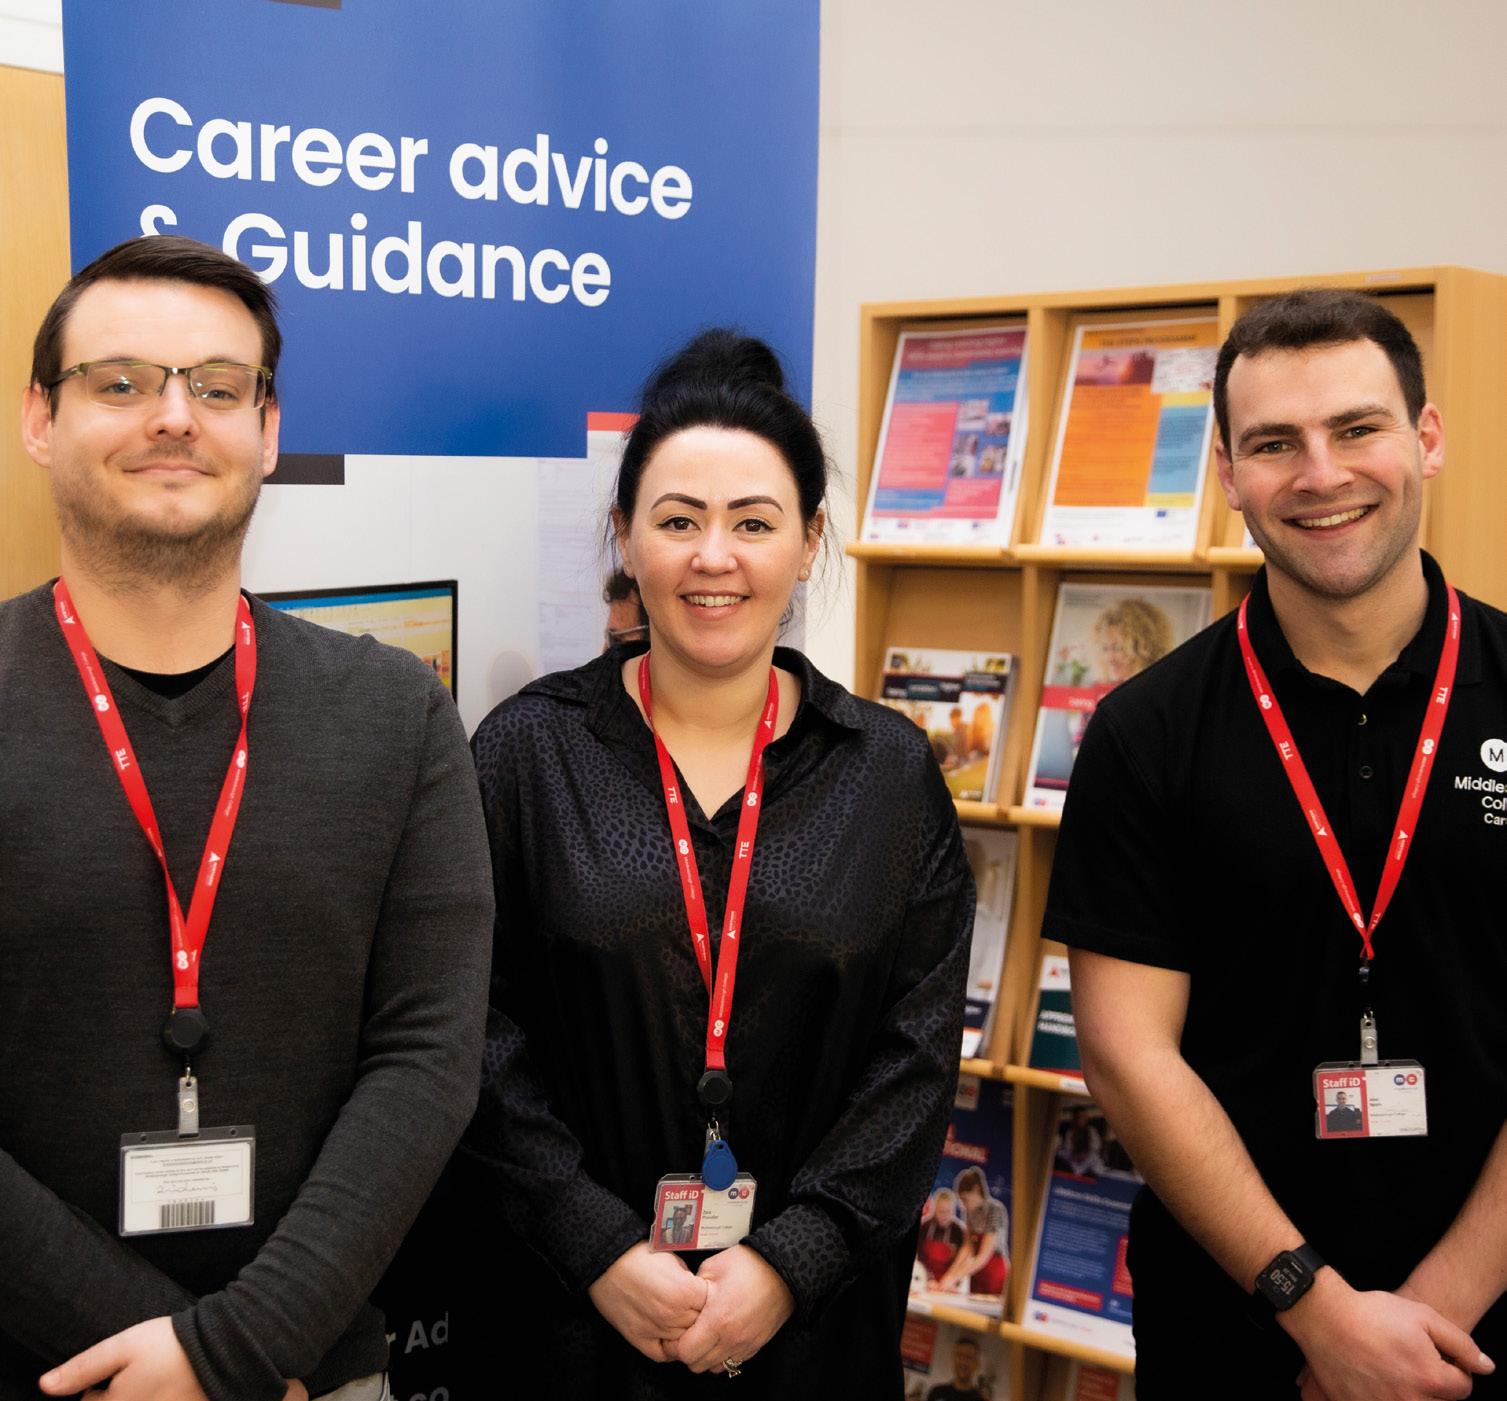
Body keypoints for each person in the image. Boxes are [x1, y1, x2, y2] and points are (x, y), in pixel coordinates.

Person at [0, 235, 493, 1401]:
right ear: (40, 419)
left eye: (218, 388)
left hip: (306, 1369)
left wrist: (239, 1349)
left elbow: (428, 1060)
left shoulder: (397, 714)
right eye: (122, 381)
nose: (174, 416)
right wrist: (187, 1358)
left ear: (268, 432)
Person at [460, 328, 973, 1395]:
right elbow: (469, 1030)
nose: (713, 557)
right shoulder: (527, 753)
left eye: (753, 522)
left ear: (809, 540)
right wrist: (595, 1243)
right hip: (567, 1323)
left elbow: (916, 1058)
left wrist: (791, 1263)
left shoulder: (884, 772)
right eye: (678, 520)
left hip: (810, 1336)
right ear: (625, 535)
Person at [1045, 289, 1507, 1400]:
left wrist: (1432, 1318)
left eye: (1356, 428)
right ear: (1226, 471)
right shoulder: (1144, 732)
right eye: (1273, 444)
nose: (1320, 474)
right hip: (1237, 1328)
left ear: (1426, 438)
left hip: (1487, 1328)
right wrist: (1316, 1309)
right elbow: (1126, 1052)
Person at [936, 1167, 1007, 1301]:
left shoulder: (995, 1210)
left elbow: (984, 1256)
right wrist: (949, 1275)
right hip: (976, 1273)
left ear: (976, 1190)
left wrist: (955, 1277)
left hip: (994, 1273)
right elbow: (967, 1248)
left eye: (965, 1199)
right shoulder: (969, 1212)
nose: (963, 1205)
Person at [924, 1335, 987, 1401]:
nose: (963, 1362)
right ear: (953, 1359)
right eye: (959, 1356)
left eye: (968, 1357)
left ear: (977, 1364)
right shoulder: (937, 1393)